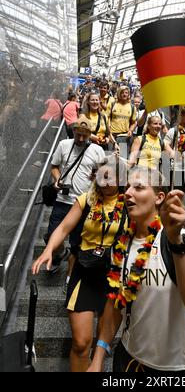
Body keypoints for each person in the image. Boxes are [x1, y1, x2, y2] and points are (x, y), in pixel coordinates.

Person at [87, 166, 185, 372]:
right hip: (130, 358)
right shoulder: (121, 245)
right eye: (127, 187)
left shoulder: (182, 239)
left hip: (178, 366)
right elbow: (115, 304)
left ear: (159, 197)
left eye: (138, 187)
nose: (127, 192)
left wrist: (175, 241)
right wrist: (98, 356)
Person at [32, 155, 128, 372]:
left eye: (110, 176)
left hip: (113, 275)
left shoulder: (127, 203)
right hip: (84, 273)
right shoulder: (87, 199)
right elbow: (64, 227)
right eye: (101, 176)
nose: (105, 181)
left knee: (101, 347)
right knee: (81, 342)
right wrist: (48, 250)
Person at [43, 115, 105, 282]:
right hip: (63, 201)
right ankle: (60, 253)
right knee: (51, 236)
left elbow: (103, 173)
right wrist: (57, 179)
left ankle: (70, 276)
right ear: (74, 131)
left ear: (90, 133)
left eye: (85, 135)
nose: (81, 138)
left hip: (84, 203)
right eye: (78, 134)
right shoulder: (64, 145)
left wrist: (97, 176)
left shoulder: (97, 150)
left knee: (77, 243)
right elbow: (54, 166)